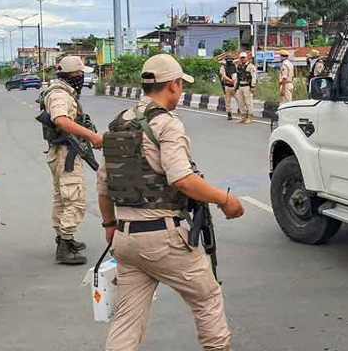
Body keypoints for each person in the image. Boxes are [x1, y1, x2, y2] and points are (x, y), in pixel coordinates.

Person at [97, 53, 245, 351]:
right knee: (207, 298)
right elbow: (182, 179)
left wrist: (110, 225)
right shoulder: (166, 124)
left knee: (127, 318)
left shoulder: (118, 124)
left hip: (126, 238)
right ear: (174, 85)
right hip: (162, 238)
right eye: (181, 85)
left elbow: (103, 185)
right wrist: (225, 199)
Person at [39, 55, 103, 265]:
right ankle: (65, 244)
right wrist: (92, 136)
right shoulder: (60, 95)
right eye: (80, 74)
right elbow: (60, 120)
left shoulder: (62, 91)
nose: (82, 78)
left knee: (62, 197)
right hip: (65, 152)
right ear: (72, 75)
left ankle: (64, 238)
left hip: (61, 151)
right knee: (75, 198)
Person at [235, 52, 257, 124]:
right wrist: (236, 87)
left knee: (248, 102)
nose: (243, 59)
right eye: (241, 58)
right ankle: (243, 117)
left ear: (247, 58)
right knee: (241, 103)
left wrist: (253, 86)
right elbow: (237, 78)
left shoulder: (251, 66)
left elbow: (253, 77)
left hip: (247, 86)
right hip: (240, 86)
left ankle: (250, 117)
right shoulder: (239, 66)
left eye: (244, 57)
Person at [218, 55, 237, 121]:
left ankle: (243, 114)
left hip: (234, 86)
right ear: (226, 60)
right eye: (228, 59)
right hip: (227, 86)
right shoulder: (223, 67)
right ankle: (229, 114)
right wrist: (231, 80)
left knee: (240, 100)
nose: (229, 61)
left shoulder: (235, 66)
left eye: (230, 59)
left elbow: (237, 75)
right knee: (228, 102)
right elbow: (224, 76)